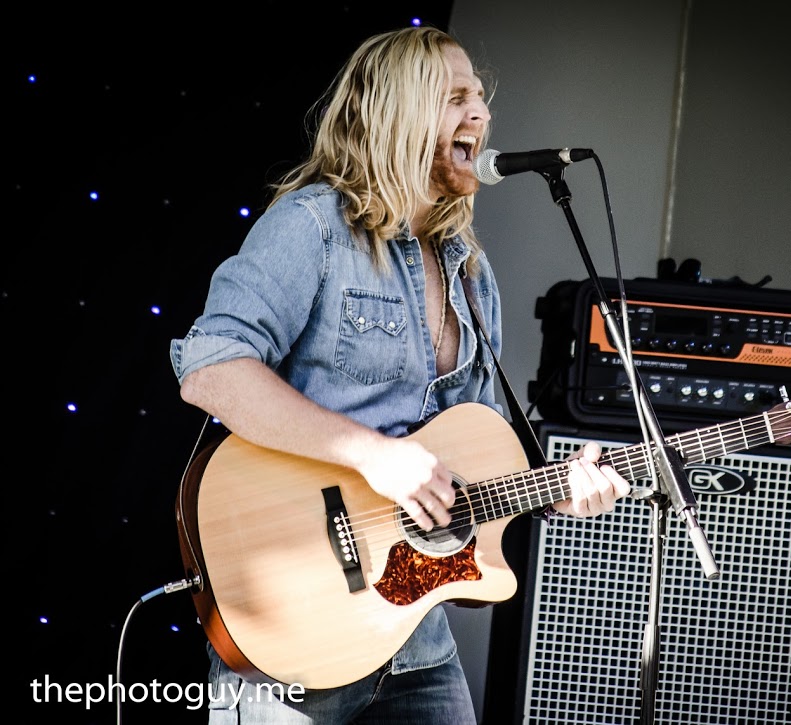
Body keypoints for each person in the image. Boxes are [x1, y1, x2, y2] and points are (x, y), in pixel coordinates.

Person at [170, 24, 631, 724]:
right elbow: (210, 370)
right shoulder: (312, 225)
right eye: (454, 99)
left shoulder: (470, 272)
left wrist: (553, 489)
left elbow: (476, 456)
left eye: (479, 99)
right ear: (394, 114)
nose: (479, 115)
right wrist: (373, 457)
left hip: (416, 644)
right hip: (294, 629)